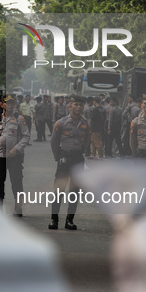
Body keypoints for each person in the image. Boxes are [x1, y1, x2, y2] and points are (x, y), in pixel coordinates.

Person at [49, 95, 90, 231]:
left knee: (75, 191)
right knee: (59, 190)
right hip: (64, 159)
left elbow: (87, 140)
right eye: (76, 104)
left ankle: (69, 220)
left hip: (77, 159)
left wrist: (80, 152)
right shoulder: (61, 122)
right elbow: (54, 142)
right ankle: (54, 219)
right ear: (70, 106)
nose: (79, 107)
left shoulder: (85, 123)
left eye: (81, 105)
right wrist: (58, 157)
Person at [0, 95, 30, 216]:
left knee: (17, 182)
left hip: (15, 157)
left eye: (12, 103)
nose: (10, 105)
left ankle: (18, 207)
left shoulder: (19, 119)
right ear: (2, 105)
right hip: (0, 156)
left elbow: (26, 136)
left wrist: (17, 148)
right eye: (7, 103)